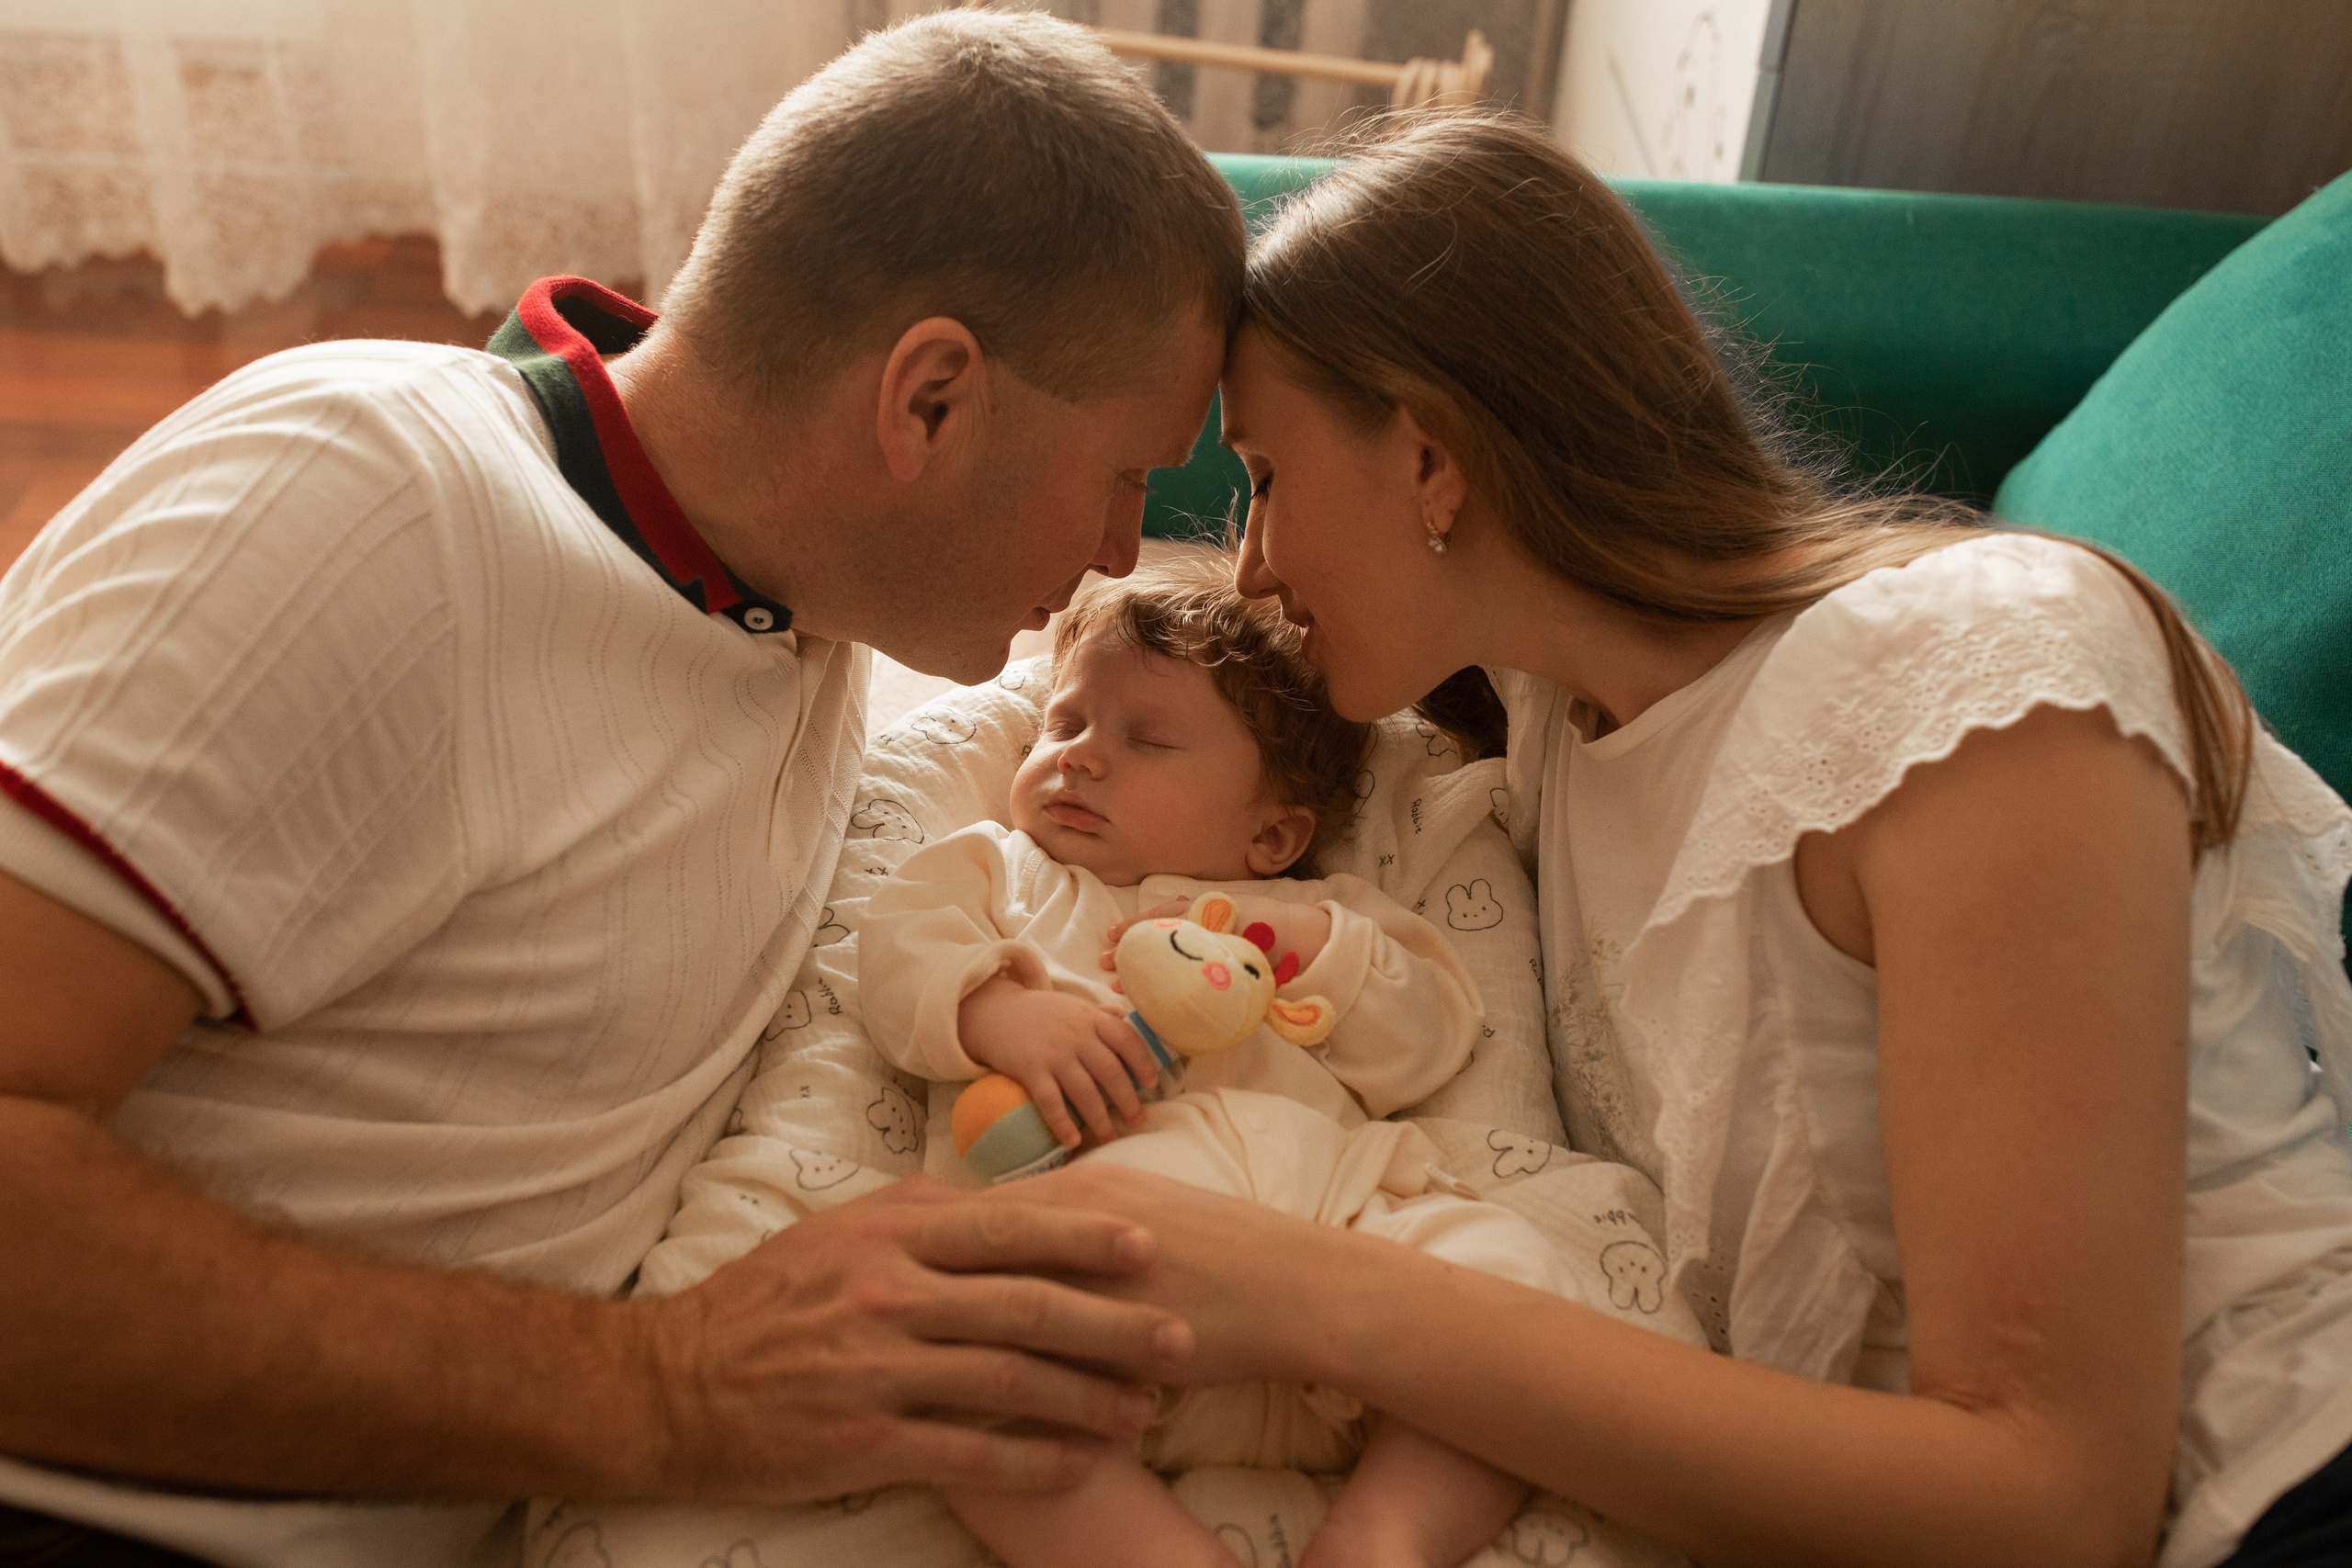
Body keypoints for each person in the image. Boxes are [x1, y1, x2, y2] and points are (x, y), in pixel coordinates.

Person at [1009, 112, 2352, 1568]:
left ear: (1434, 457)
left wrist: (1316, 1294)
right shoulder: (1548, 729)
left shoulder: (1973, 684)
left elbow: (2055, 1501)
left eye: (1265, 476)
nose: (1250, 561)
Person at [0, 13, 1240, 1564]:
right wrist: (667, 1390)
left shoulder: (794, 591)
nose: (1127, 548)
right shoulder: (365, 512)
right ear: (927, 401)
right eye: (1130, 472)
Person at [857, 550, 1635, 1568]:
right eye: (1065, 724)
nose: (1080, 757)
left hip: (1335, 1238)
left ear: (1273, 834)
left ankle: (1385, 1535)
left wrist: (1319, 954)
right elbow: (896, 941)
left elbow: (1431, 1036)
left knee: (1523, 1286)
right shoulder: (1004, 872)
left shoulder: (1314, 916)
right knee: (958, 1381)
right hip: (1104, 1275)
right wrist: (997, 1010)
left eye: (1147, 740)